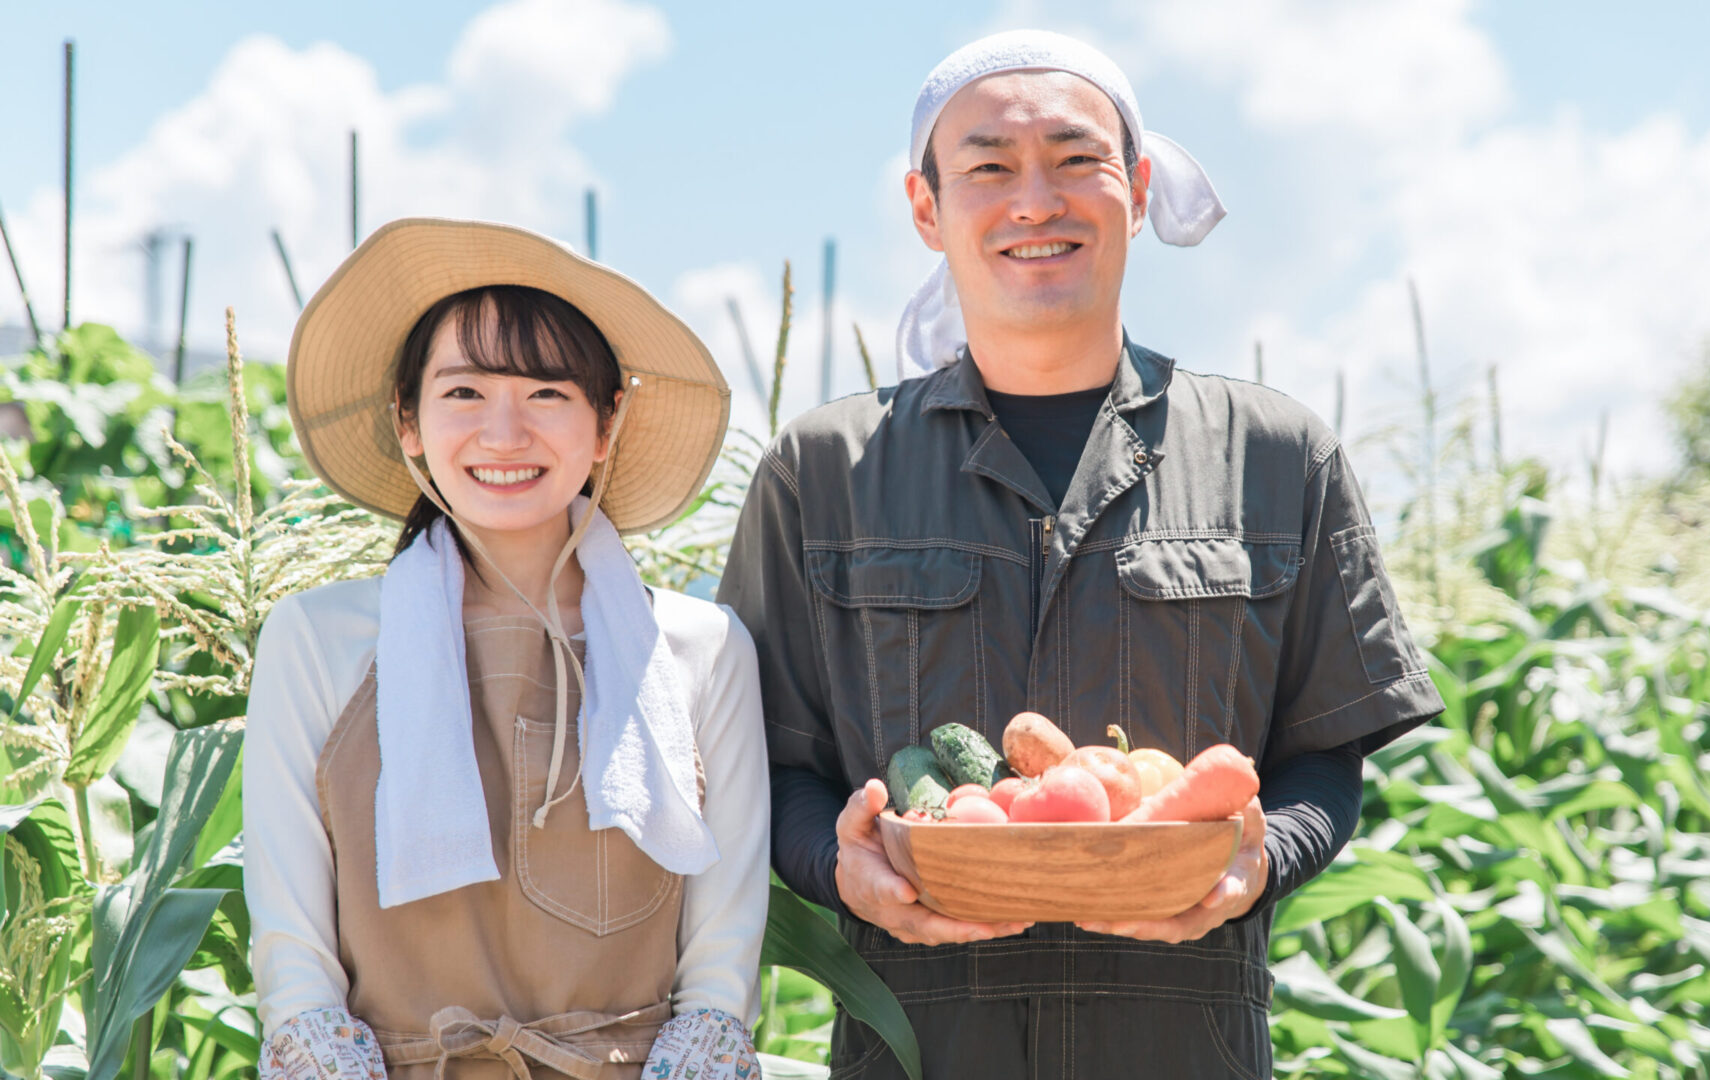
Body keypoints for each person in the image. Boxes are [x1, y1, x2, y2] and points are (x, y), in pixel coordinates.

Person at [717, 30, 1443, 1078]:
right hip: (919, 1049)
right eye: (988, 168)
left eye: (1074, 159)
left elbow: (1323, 755)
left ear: (1136, 191)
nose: (1035, 201)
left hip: (1185, 1049)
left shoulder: (1276, 457)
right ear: (925, 208)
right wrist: (842, 871)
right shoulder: (823, 471)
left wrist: (1258, 863)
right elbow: (772, 765)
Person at [245, 218, 769, 1080]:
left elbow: (719, 973)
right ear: (407, 421)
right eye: (464, 392)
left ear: (606, 425)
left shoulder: (702, 649)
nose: (503, 433)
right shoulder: (314, 641)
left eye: (548, 394)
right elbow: (296, 968)